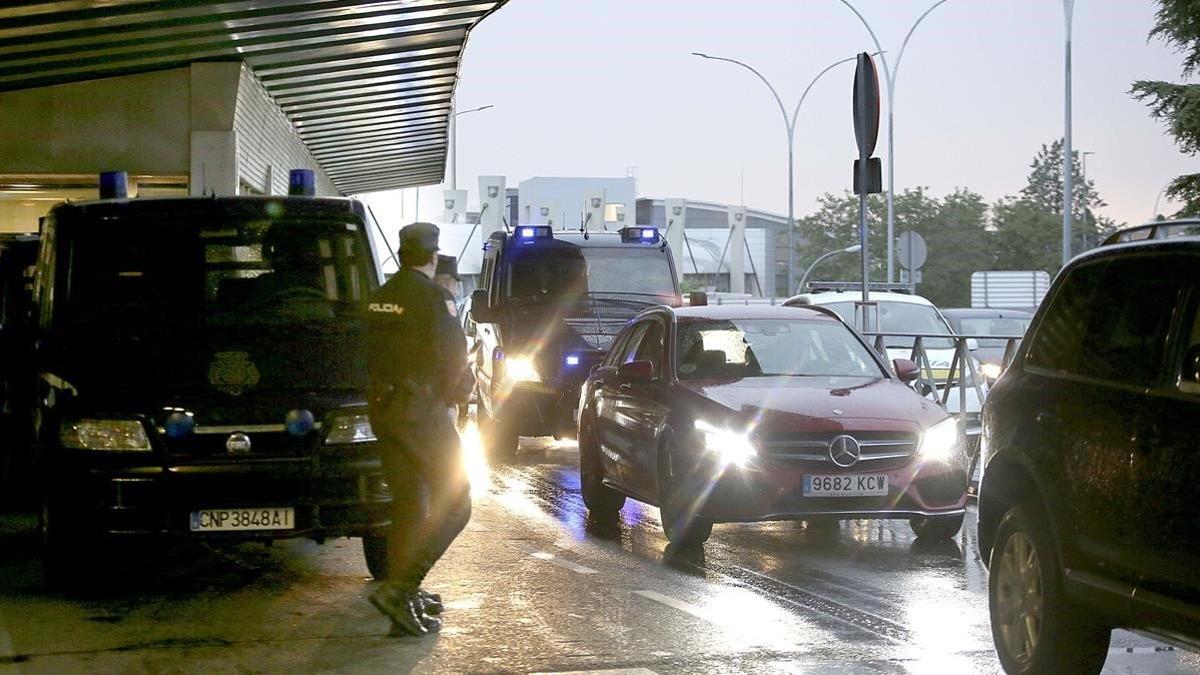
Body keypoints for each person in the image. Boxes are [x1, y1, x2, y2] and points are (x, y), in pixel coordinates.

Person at [363, 222, 473, 637]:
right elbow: (453, 361)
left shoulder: (378, 298)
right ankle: (401, 588)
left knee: (408, 503)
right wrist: (453, 399)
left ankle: (402, 604)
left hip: (384, 409)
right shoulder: (433, 298)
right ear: (431, 256)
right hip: (420, 410)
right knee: (458, 503)